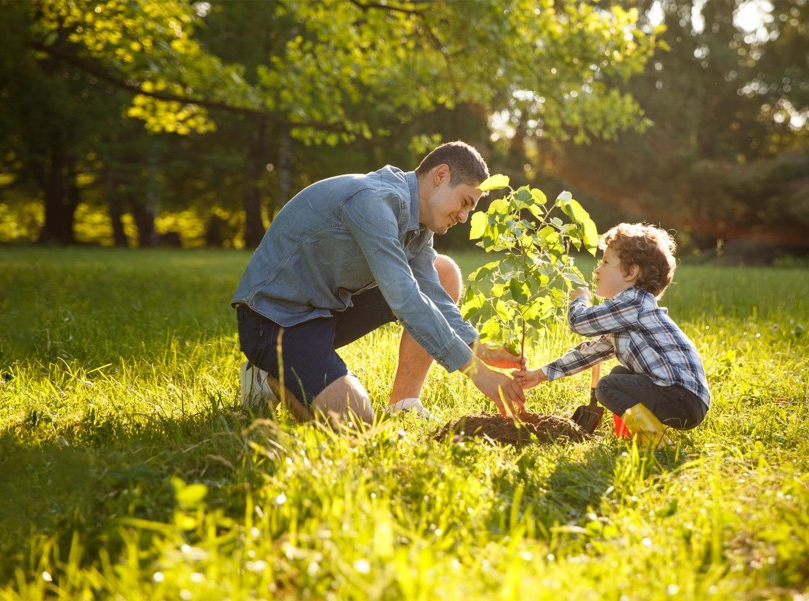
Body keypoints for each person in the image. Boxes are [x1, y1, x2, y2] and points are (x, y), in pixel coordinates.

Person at [232, 141, 526, 426]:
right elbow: (406, 298)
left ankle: (404, 404)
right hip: (274, 320)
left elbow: (432, 293)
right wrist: (477, 373)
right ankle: (266, 380)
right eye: (465, 203)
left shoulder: (419, 225)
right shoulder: (373, 201)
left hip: (325, 310)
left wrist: (479, 348)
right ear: (440, 176)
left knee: (443, 272)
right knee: (355, 422)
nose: (463, 217)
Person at [512, 222, 709, 433]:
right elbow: (589, 353)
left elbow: (579, 322)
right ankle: (630, 434)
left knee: (607, 386)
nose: (597, 270)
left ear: (631, 272)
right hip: (685, 398)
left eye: (605, 262)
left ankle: (651, 437)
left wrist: (580, 300)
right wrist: (539, 374)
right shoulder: (628, 315)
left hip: (680, 396)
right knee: (619, 374)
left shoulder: (634, 302)